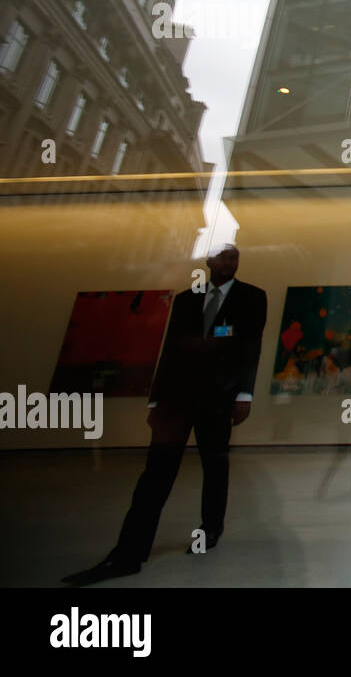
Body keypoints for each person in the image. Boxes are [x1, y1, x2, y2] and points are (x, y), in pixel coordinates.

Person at [63, 245, 267, 585]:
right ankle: (129, 553)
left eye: (235, 256)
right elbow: (169, 349)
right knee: (156, 473)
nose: (230, 262)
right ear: (208, 260)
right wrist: (156, 401)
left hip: (219, 397)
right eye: (224, 256)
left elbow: (251, 347)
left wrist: (244, 392)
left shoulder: (251, 297)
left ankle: (210, 528)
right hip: (178, 399)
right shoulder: (187, 300)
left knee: (214, 464)